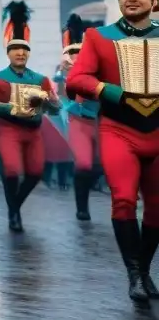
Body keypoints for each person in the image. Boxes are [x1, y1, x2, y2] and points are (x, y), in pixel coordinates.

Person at [66, 0, 159, 304]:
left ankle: (145, 267)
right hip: (119, 130)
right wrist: (112, 92)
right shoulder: (98, 37)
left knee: (157, 208)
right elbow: (77, 79)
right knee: (123, 199)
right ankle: (134, 273)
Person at [0, 1, 60, 233]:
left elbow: (56, 106)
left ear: (28, 52)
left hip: (34, 130)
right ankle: (14, 213)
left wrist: (47, 102)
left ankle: (14, 206)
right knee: (13, 170)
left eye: (24, 49)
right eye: (15, 49)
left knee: (36, 172)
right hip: (8, 129)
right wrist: (11, 109)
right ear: (8, 52)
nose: (20, 53)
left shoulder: (41, 78)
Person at [54, 14, 100, 221]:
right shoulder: (63, 72)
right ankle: (82, 207)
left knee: (102, 166)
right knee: (83, 164)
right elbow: (65, 95)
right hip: (80, 120)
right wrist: (69, 75)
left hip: (104, 121)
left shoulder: (103, 64)